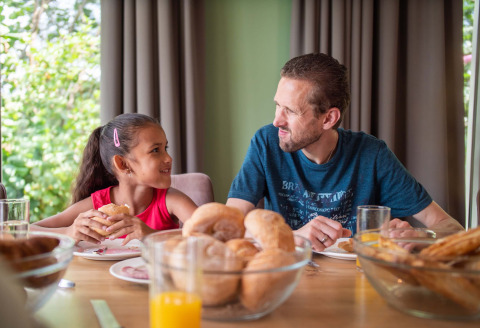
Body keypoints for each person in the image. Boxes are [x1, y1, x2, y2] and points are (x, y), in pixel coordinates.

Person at [226, 53, 464, 252]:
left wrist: (418, 235)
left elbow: (450, 227)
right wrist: (293, 236)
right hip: (288, 279)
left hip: (356, 285)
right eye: (278, 105)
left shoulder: (372, 154)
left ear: (329, 118)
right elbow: (229, 227)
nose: (277, 121)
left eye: (290, 111)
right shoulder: (266, 143)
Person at [32, 113, 197, 245]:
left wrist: (152, 236)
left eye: (165, 148)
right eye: (155, 150)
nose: (168, 158)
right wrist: (68, 232)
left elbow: (211, 235)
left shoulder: (171, 200)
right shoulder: (97, 204)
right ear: (123, 164)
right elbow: (26, 231)